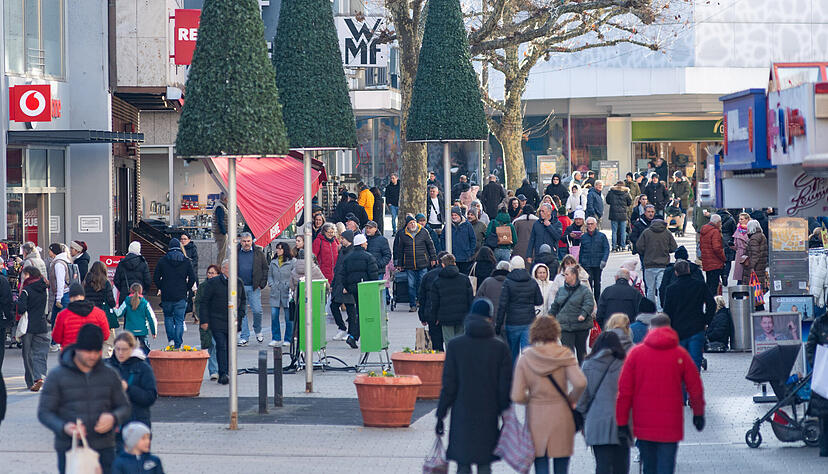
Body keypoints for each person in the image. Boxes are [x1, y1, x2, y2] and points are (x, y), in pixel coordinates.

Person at [616, 315, 705, 474]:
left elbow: (624, 391)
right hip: (671, 424)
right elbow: (695, 386)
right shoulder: (680, 354)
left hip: (644, 424)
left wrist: (622, 422)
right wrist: (698, 413)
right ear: (670, 329)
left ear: (649, 330)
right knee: (666, 467)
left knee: (649, 467)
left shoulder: (636, 354)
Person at [38, 324, 131, 474]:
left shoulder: (109, 374)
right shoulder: (58, 376)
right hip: (70, 447)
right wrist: (64, 427)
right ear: (78, 348)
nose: (93, 356)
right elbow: (44, 412)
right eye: (88, 351)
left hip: (104, 447)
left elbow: (124, 407)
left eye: (96, 351)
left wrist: (113, 417)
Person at [436, 298, 512, 474]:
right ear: (489, 318)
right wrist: (505, 414)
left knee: (463, 463)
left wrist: (441, 414)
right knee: (484, 463)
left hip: (462, 413)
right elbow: (504, 388)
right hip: (489, 413)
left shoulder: (455, 346)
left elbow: (449, 385)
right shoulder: (499, 347)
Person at [511, 316, 587, 474]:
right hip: (561, 415)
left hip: (536, 416)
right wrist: (570, 398)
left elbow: (517, 395)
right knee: (561, 464)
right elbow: (580, 383)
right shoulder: (564, 354)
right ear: (556, 332)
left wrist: (531, 399)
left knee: (541, 463)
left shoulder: (525, 357)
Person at [575, 331, 630, 474]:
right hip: (621, 423)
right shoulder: (626, 364)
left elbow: (582, 398)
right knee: (621, 466)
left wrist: (580, 419)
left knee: (602, 465)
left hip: (596, 423)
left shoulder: (588, 364)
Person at [199, 260, 246, 385]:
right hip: (217, 320)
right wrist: (204, 320)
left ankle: (228, 370)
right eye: (230, 268)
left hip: (233, 321)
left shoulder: (238, 282)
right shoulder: (214, 283)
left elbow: (243, 300)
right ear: (224, 269)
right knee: (221, 345)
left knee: (230, 347)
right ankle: (223, 373)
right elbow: (204, 302)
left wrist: (240, 315)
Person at [662, 260, 716, 370]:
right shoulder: (700, 285)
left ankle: (683, 384)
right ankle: (693, 383)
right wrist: (706, 320)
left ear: (676, 272)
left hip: (678, 330)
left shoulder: (671, 289)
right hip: (697, 327)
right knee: (695, 360)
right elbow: (712, 304)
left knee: (680, 361)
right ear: (688, 270)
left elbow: (667, 311)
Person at [107, 332, 157, 444]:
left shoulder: (143, 368)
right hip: (113, 427)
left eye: (124, 349)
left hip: (137, 423)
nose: (120, 353)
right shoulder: (108, 366)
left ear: (132, 348)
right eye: (117, 349)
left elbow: (150, 397)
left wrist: (128, 388)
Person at [496, 256, 543, 361]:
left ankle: (514, 376)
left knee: (513, 354)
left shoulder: (508, 282)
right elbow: (539, 301)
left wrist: (498, 325)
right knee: (528, 354)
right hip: (529, 321)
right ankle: (528, 376)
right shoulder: (532, 281)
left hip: (512, 322)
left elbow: (502, 305)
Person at [152, 238, 196, 349]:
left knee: (168, 317)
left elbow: (156, 277)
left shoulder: (162, 260)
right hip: (181, 293)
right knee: (180, 319)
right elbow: (192, 277)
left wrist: (161, 286)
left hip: (167, 294)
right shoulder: (186, 261)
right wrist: (187, 288)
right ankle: (178, 343)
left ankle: (171, 340)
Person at [548, 265, 595, 365]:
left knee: (581, 351)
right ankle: (570, 372)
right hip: (565, 326)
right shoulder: (561, 290)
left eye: (567, 274)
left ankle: (583, 370)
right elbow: (555, 305)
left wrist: (583, 314)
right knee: (567, 352)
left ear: (574, 276)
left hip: (580, 326)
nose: (564, 276)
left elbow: (589, 303)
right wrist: (550, 317)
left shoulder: (584, 290)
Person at [339, 233, 379, 348]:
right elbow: (373, 274)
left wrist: (347, 287)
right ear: (362, 244)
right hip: (366, 289)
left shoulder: (348, 257)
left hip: (353, 289)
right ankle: (353, 336)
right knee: (364, 314)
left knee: (359, 313)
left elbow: (343, 274)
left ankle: (354, 336)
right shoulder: (368, 257)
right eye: (365, 242)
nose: (367, 244)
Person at [393, 215, 437, 311]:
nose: (413, 224)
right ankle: (412, 304)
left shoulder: (424, 232)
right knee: (411, 285)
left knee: (422, 284)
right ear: (407, 225)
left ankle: (421, 302)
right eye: (410, 223)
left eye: (414, 222)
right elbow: (400, 251)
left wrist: (433, 258)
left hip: (423, 263)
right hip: (409, 265)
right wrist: (399, 264)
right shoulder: (403, 235)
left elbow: (430, 246)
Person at [16, 266, 49, 391]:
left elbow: (22, 308)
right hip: (41, 324)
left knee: (28, 354)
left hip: (28, 326)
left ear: (28, 274)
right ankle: (39, 377)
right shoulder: (43, 288)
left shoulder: (26, 290)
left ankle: (31, 382)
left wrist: (17, 304)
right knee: (40, 353)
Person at [431, 254, 475, 343]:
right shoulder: (464, 279)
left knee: (449, 342)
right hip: (462, 315)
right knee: (461, 342)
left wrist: (434, 317)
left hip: (445, 316)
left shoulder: (437, 281)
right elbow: (470, 298)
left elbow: (435, 302)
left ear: (443, 265)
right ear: (454, 263)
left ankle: (451, 357)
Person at [52, 283, 111, 349]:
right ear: (83, 295)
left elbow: (57, 338)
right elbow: (106, 335)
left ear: (70, 297)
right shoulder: (99, 313)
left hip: (70, 354)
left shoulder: (63, 315)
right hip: (92, 353)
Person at [636, 216, 677, 310]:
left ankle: (650, 309)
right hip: (663, 265)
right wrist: (666, 251)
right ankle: (660, 308)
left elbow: (639, 246)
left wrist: (645, 252)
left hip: (649, 264)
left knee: (650, 288)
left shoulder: (646, 232)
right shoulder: (667, 233)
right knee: (661, 288)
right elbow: (674, 247)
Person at [234, 233, 268, 346]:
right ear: (240, 241)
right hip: (240, 287)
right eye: (244, 241)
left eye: (248, 241)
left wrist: (262, 284)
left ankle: (257, 329)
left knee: (257, 310)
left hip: (254, 287)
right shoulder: (235, 252)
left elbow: (265, 268)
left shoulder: (258, 253)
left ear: (252, 241)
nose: (246, 243)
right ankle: (244, 337)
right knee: (242, 312)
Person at [805, 310, 828, 457]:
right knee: (825, 416)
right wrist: (818, 365)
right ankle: (825, 447)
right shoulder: (820, 323)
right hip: (825, 375)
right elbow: (810, 347)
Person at [85, 261, 119, 357]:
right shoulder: (105, 282)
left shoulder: (86, 281)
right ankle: (105, 360)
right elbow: (110, 300)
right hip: (103, 315)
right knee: (108, 341)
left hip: (89, 314)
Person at [331, 231, 358, 342]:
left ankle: (350, 332)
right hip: (338, 283)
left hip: (347, 285)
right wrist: (333, 284)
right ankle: (341, 327)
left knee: (350, 310)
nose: (341, 240)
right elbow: (338, 269)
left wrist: (349, 286)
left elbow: (352, 271)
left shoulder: (352, 252)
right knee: (334, 306)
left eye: (343, 238)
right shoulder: (342, 251)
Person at [194, 265, 220, 380]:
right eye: (209, 273)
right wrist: (201, 316)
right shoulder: (203, 286)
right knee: (212, 344)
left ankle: (222, 369)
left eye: (213, 273)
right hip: (208, 320)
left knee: (220, 345)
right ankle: (213, 371)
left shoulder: (222, 285)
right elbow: (198, 302)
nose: (210, 275)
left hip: (220, 319)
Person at [116, 283, 157, 354]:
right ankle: (145, 363)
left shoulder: (127, 301)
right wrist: (154, 332)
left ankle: (130, 364)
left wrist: (113, 309)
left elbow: (119, 314)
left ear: (130, 290)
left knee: (129, 351)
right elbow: (151, 318)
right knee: (145, 351)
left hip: (130, 330)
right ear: (141, 291)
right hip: (143, 330)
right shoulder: (145, 303)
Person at [267, 242, 294, 348]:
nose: (278, 250)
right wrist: (272, 284)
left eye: (280, 249)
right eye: (277, 249)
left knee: (288, 317)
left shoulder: (292, 262)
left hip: (287, 293)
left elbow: (294, 274)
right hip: (275, 292)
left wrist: (288, 284)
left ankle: (288, 338)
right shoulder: (273, 262)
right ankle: (276, 338)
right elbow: (270, 275)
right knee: (274, 316)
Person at [579, 217, 610, 299]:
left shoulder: (602, 236)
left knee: (597, 283)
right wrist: (580, 263)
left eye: (591, 224)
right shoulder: (583, 237)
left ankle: (597, 301)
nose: (590, 226)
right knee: (588, 284)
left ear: (595, 225)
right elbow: (581, 251)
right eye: (588, 224)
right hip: (587, 264)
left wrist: (604, 260)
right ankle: (589, 301)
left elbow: (606, 249)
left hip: (598, 264)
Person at [442, 207, 477, 274]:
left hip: (464, 257)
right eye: (452, 215)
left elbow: (473, 239)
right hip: (451, 257)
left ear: (459, 215)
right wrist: (445, 251)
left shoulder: (467, 225)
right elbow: (443, 238)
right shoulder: (448, 225)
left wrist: (470, 252)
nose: (453, 217)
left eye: (455, 215)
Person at [699, 214, 727, 296]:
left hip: (707, 261)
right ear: (717, 222)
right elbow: (717, 248)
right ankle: (713, 305)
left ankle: (708, 304)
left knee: (709, 283)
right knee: (714, 285)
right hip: (715, 262)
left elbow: (701, 246)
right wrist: (723, 257)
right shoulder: (715, 231)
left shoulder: (704, 230)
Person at [48, 243, 74, 322]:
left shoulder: (58, 264)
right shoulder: (64, 261)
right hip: (64, 294)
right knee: (56, 319)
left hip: (62, 295)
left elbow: (60, 281)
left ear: (53, 251)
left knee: (62, 320)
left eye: (50, 250)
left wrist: (59, 298)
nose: (49, 252)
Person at [741, 219, 768, 292]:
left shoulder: (754, 239)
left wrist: (751, 266)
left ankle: (754, 302)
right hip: (761, 265)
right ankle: (759, 302)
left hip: (756, 267)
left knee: (753, 288)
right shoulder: (762, 236)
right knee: (759, 286)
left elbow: (755, 254)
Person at [606, 181, 632, 252]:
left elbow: (608, 201)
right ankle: (623, 246)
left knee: (614, 231)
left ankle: (614, 247)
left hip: (613, 214)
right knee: (623, 231)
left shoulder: (611, 192)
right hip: (623, 214)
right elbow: (629, 202)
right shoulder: (626, 193)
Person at [313, 222, 340, 287]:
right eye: (329, 232)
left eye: (333, 232)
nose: (331, 234)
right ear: (324, 232)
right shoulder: (318, 241)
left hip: (335, 271)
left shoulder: (335, 241)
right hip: (323, 272)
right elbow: (313, 256)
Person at [732, 212, 751, 283]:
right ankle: (739, 290)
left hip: (748, 254)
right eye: (739, 219)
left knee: (746, 275)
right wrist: (732, 246)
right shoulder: (738, 230)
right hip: (739, 254)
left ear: (747, 220)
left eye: (742, 219)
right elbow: (735, 244)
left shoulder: (751, 229)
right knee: (740, 275)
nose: (740, 221)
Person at [213, 192, 229, 265]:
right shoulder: (220, 207)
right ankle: (219, 268)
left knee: (222, 252)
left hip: (220, 233)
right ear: (226, 198)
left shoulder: (220, 206)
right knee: (221, 253)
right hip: (220, 233)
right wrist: (224, 232)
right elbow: (220, 221)